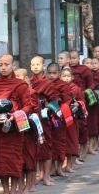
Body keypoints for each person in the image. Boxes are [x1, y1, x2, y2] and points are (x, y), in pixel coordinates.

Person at [0, 54, 32, 194]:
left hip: (14, 130)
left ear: (13, 66)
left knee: (14, 160)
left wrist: (14, 116)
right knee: (2, 162)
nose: (3, 68)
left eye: (6, 65)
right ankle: (5, 190)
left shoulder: (20, 85)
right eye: (0, 64)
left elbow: (28, 106)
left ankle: (14, 190)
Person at [30, 56, 58, 186]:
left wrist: (47, 107)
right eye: (33, 64)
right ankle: (36, 175)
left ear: (43, 66)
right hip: (33, 119)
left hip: (44, 118)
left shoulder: (48, 83)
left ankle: (46, 176)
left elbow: (54, 101)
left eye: (38, 64)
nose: (35, 67)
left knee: (46, 147)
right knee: (34, 147)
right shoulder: (29, 82)